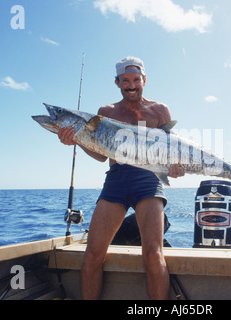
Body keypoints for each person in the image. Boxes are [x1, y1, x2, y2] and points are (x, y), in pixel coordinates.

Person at [58, 56, 184, 300]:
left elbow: (172, 149)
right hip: (116, 179)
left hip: (148, 179)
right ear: (117, 83)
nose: (131, 85)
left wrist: (175, 167)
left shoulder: (160, 110)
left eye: (136, 79)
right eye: (125, 80)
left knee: (153, 254)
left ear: (144, 80)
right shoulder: (106, 112)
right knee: (93, 254)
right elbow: (101, 156)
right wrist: (76, 140)